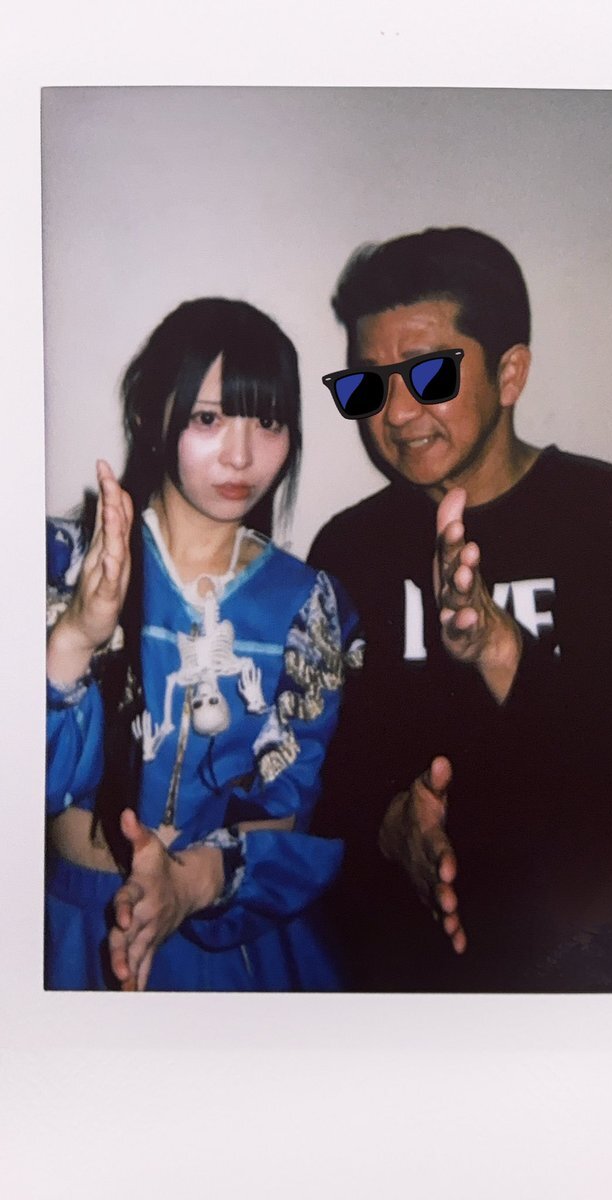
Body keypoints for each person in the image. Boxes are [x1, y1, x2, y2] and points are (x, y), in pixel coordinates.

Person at [310, 226, 612, 992]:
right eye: (369, 384)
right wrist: (390, 827)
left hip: (587, 959)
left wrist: (502, 650)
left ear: (510, 372)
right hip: (403, 965)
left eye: (428, 374)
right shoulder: (347, 550)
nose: (396, 414)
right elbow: (326, 768)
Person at [45, 297, 362, 991]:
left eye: (268, 422)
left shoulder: (305, 607)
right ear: (150, 416)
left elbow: (288, 809)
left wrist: (189, 884)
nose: (241, 456)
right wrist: (74, 637)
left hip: (229, 945)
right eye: (209, 418)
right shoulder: (61, 563)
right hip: (73, 935)